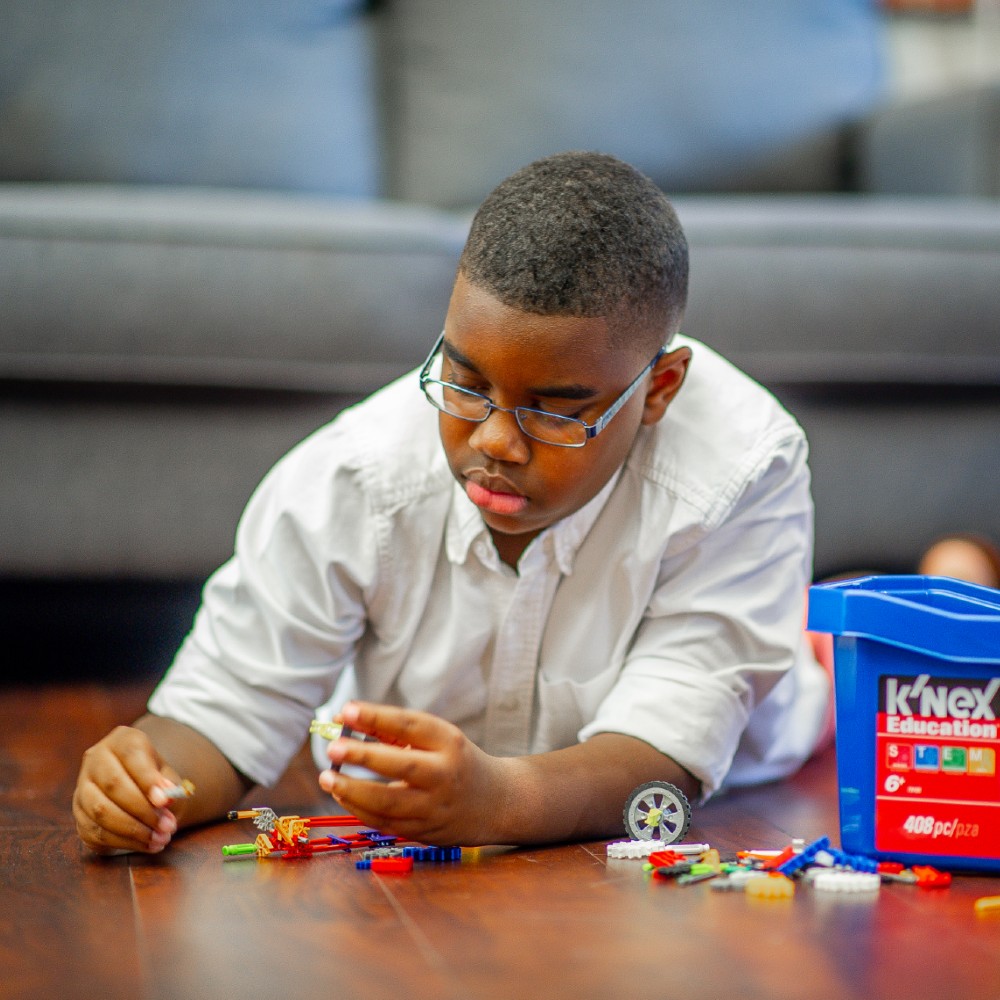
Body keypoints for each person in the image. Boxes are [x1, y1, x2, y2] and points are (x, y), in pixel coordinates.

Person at [73, 151, 832, 855]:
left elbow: (666, 757)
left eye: (556, 408)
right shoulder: (352, 479)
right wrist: (146, 783)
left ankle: (936, 574)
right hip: (476, 777)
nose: (496, 441)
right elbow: (220, 714)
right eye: (467, 384)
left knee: (836, 655)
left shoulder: (742, 469)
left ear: (659, 390)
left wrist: (500, 799)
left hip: (767, 733)